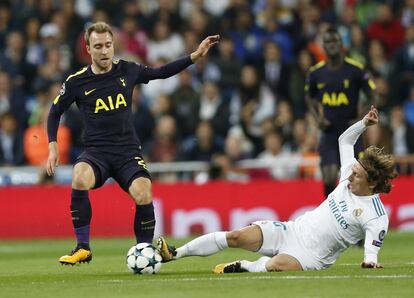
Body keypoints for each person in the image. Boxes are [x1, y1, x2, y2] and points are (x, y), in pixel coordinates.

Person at [46, 21, 219, 265]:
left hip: (127, 153)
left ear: (113, 45)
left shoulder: (127, 70)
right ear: (88, 49)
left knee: (143, 192)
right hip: (96, 153)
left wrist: (195, 56)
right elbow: (54, 112)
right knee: (79, 176)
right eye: (98, 46)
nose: (104, 51)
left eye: (108, 45)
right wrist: (52, 144)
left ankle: (144, 250)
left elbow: (161, 72)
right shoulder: (76, 82)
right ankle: (82, 247)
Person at [157, 106, 397, 272]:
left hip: (311, 257)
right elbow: (345, 141)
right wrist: (364, 123)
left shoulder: (376, 216)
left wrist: (370, 261)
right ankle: (175, 253)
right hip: (291, 231)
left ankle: (246, 266)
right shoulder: (348, 175)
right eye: (352, 171)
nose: (350, 176)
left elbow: (371, 251)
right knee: (236, 236)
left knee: (275, 265)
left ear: (372, 183)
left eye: (357, 175)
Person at [305, 26, 378, 197]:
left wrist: (361, 118)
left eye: (334, 41)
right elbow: (309, 98)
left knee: (359, 175)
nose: (331, 45)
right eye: (327, 42)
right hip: (329, 131)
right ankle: (331, 213)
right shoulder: (316, 73)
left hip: (351, 130)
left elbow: (373, 94)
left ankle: (357, 213)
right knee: (329, 176)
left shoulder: (355, 69)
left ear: (341, 44)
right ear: (323, 46)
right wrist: (318, 119)